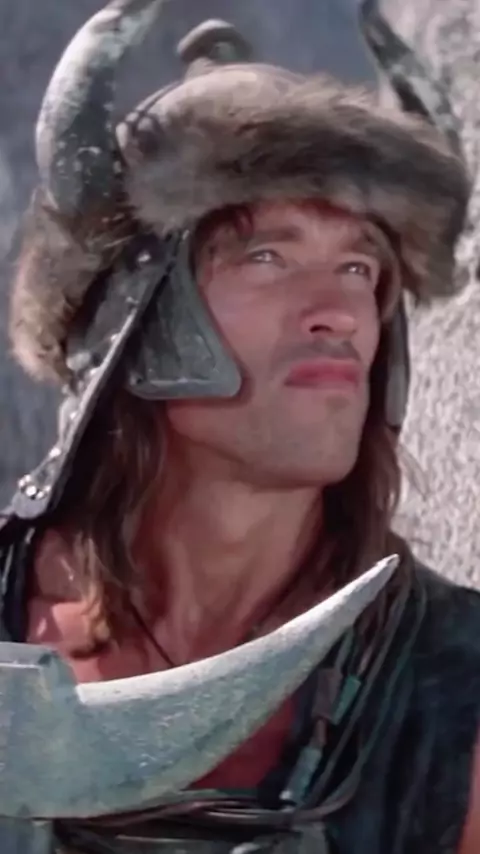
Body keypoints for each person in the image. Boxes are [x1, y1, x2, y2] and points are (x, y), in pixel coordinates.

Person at [0, 1, 479, 852]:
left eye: (359, 266)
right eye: (267, 256)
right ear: (135, 319)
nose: (341, 312)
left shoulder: (453, 684)